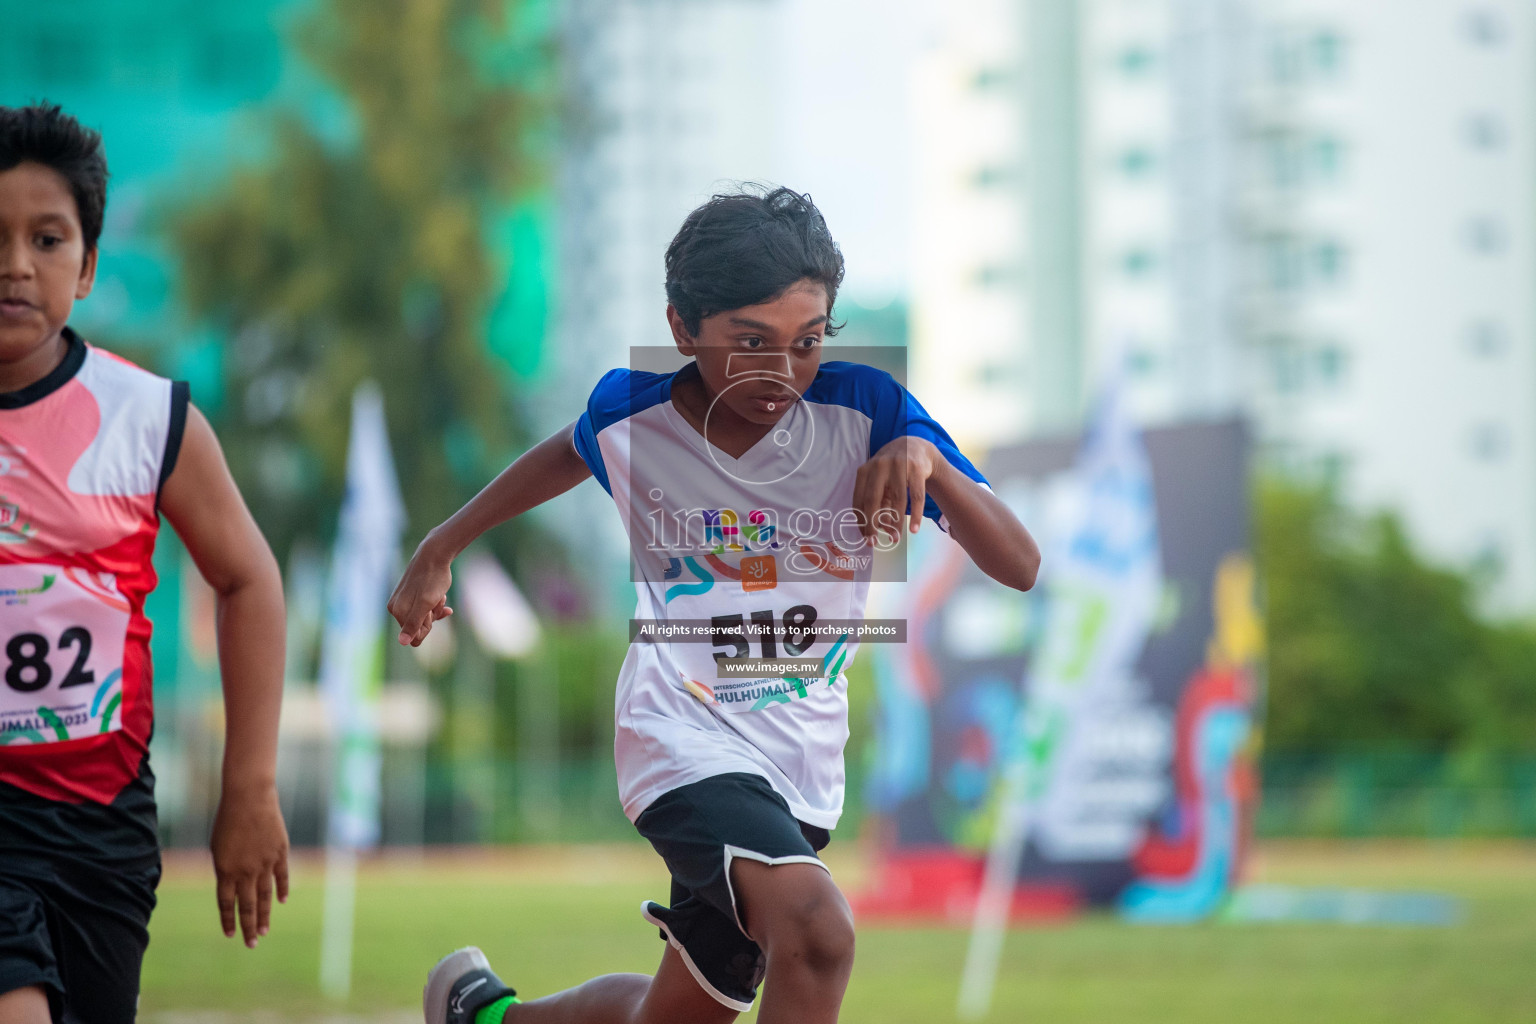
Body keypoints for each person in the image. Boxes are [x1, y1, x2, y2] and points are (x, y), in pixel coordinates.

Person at [391, 185, 1039, 1024]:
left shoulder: (869, 413)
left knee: (676, 1016)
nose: (782, 373)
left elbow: (1020, 564)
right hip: (679, 733)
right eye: (750, 342)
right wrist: (440, 545)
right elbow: (566, 453)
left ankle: (482, 1013)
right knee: (818, 932)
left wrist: (933, 461)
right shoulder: (635, 413)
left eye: (807, 342)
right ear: (682, 329)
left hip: (799, 762)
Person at [0, 103, 290, 1024]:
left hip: (101, 822)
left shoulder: (149, 419)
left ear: (85, 268)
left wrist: (248, 787)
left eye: (46, 240)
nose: (14, 264)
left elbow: (249, 580)